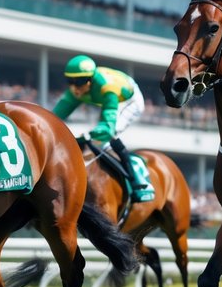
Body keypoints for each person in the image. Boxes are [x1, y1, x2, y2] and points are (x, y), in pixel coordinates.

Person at [52, 55, 151, 197]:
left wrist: (89, 135)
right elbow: (56, 115)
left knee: (108, 137)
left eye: (79, 81)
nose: (74, 87)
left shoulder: (107, 87)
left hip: (128, 101)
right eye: (70, 81)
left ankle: (137, 179)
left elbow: (107, 127)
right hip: (107, 101)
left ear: (90, 79)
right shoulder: (77, 89)